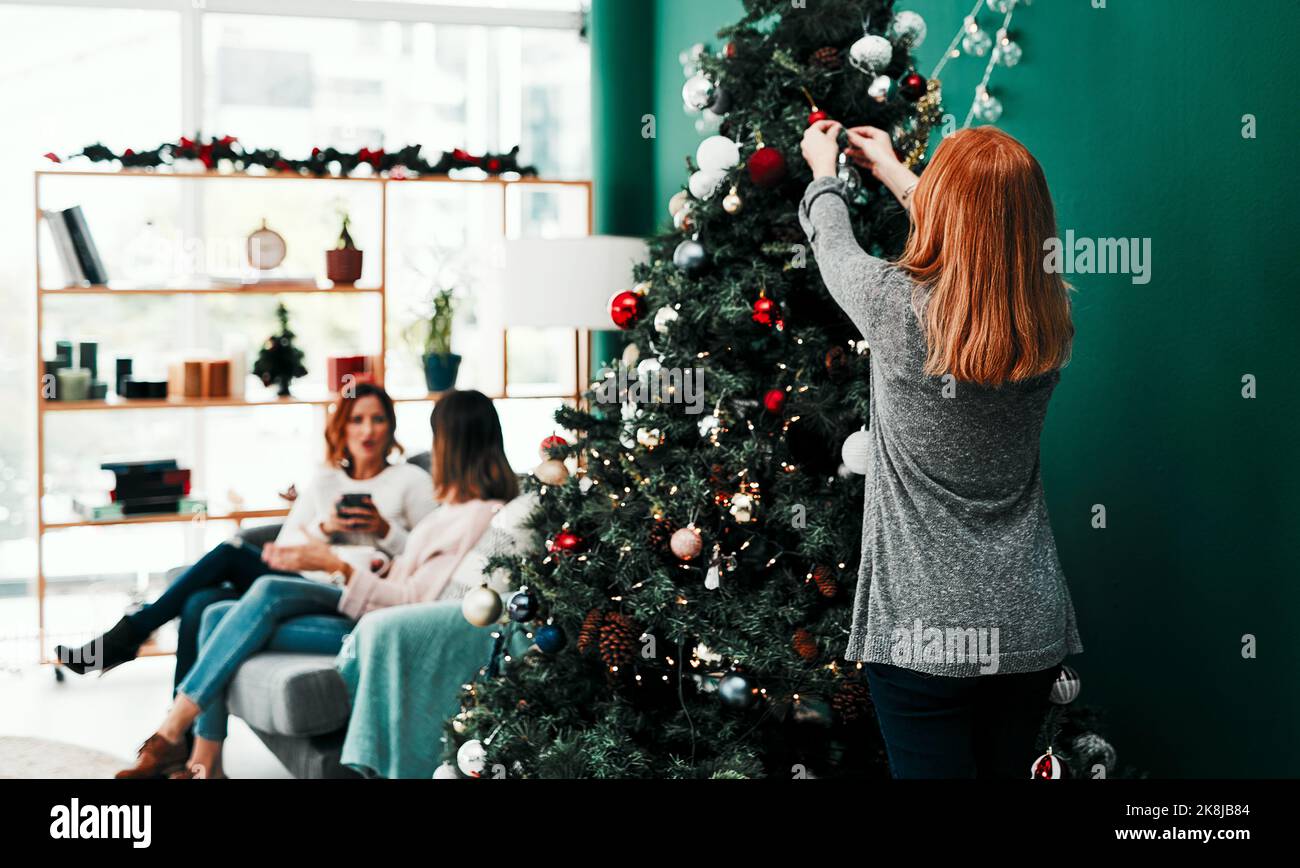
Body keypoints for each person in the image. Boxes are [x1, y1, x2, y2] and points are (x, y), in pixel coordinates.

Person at [799, 121, 1081, 779]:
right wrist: (896, 172)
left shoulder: (893, 306)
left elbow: (832, 244)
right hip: (1025, 629)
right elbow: (988, 239)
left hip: (921, 632)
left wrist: (822, 172)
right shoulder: (1048, 323)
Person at [113, 389, 519, 779]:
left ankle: (173, 731)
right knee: (215, 608)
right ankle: (206, 761)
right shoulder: (451, 510)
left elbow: (413, 602)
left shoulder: (473, 515)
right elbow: (403, 571)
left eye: (438, 438)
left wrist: (342, 565)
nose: (433, 451)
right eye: (357, 420)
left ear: (454, 445)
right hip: (356, 596)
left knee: (263, 592)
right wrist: (357, 556)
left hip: (373, 625)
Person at [57, 383, 435, 690]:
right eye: (357, 420)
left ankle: (130, 634)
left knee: (232, 551)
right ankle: (182, 746)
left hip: (351, 592)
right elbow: (281, 551)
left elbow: (426, 556)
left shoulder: (411, 480)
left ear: (391, 426)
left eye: (378, 420)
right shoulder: (325, 481)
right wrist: (326, 529)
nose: (368, 430)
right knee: (200, 602)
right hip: (298, 580)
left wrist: (384, 530)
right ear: (342, 427)